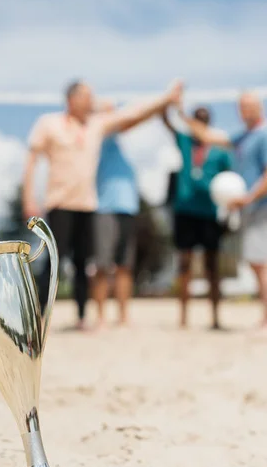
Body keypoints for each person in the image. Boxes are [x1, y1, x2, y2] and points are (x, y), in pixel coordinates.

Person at [23, 80, 182, 330]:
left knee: (82, 263)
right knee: (53, 259)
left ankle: (82, 317)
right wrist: (29, 198)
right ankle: (38, 315)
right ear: (72, 99)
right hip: (59, 203)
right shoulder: (49, 123)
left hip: (87, 204)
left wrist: (165, 98)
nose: (92, 99)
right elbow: (32, 160)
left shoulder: (96, 126)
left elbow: (134, 114)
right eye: (86, 96)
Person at [179, 92, 267, 336]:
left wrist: (248, 198)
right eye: (241, 107)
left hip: (260, 206)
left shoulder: (266, 135)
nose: (244, 111)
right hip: (248, 208)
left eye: (249, 106)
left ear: (260, 107)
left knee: (264, 262)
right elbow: (207, 135)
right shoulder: (244, 136)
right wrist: (181, 113)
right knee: (256, 263)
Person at [162, 106, 233, 329]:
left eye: (204, 119)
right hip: (185, 211)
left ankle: (215, 317)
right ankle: (183, 318)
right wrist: (170, 102)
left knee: (213, 266)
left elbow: (230, 181)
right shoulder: (184, 140)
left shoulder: (220, 149)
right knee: (184, 264)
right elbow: (167, 121)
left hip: (210, 212)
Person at [92, 102, 139, 328]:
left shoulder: (120, 143)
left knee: (124, 265)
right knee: (102, 264)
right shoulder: (101, 134)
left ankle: (123, 315)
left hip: (127, 209)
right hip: (104, 209)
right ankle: (100, 315)